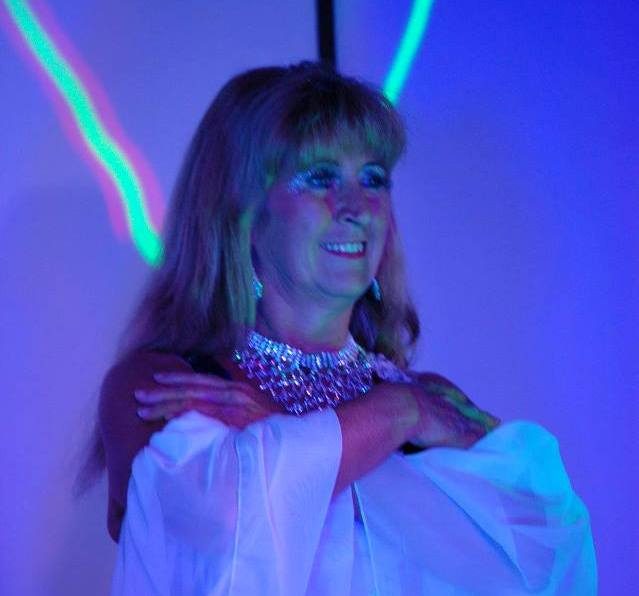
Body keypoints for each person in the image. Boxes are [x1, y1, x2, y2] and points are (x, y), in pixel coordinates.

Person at [87, 62, 596, 594]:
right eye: (320, 177)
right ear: (245, 213)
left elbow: (551, 546)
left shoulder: (430, 398)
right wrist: (394, 417)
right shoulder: (164, 384)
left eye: (372, 179)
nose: (356, 207)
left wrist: (314, 436)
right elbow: (223, 541)